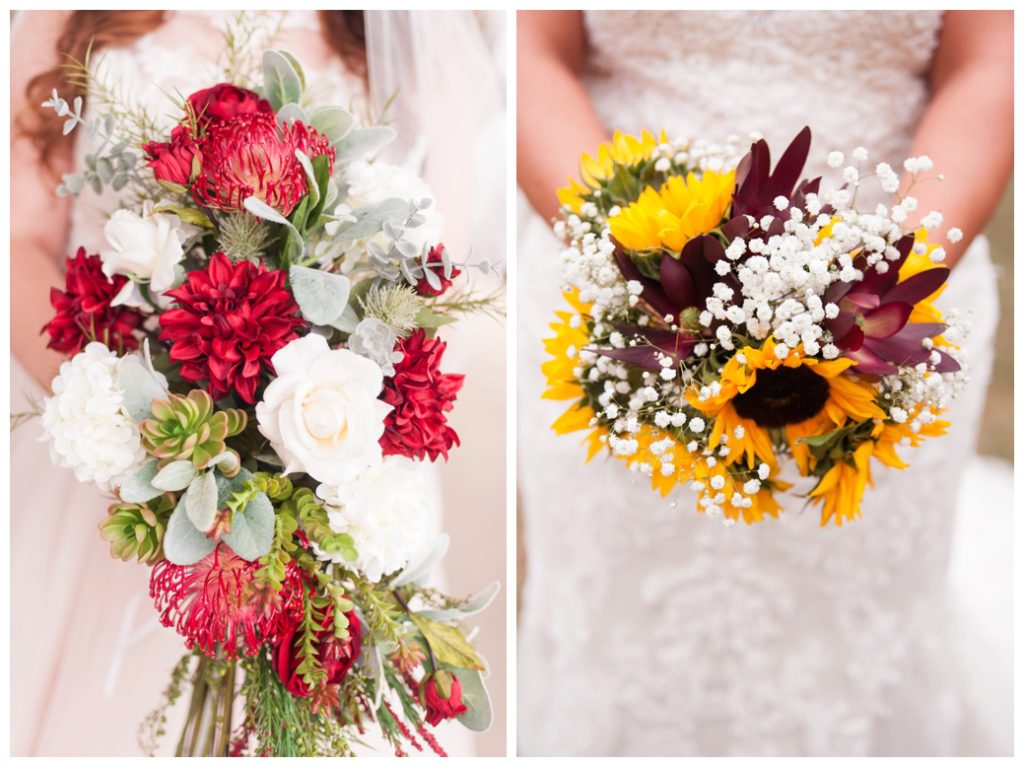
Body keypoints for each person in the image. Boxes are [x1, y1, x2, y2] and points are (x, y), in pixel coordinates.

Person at [516, 10, 1011, 756]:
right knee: (620, 633)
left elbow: (987, 65)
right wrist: (640, 276)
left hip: (889, 303)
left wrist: (885, 289)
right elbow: (531, 51)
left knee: (861, 632)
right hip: (625, 306)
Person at [10, 9, 505, 756]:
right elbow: (18, 241)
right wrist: (137, 437)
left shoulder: (408, 34)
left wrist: (310, 458)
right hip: (118, 464)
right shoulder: (68, 16)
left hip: (338, 469)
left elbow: (442, 287)